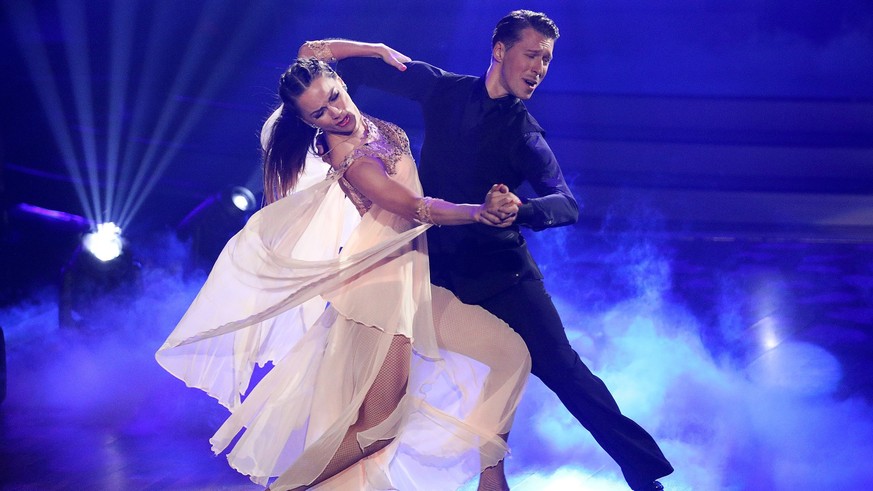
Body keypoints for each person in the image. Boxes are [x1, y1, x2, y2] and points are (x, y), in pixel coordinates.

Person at [299, 9, 674, 491]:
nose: (540, 68)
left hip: (504, 279)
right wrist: (375, 50)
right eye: (532, 54)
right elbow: (313, 54)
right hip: (432, 274)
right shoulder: (442, 89)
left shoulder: (523, 130)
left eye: (547, 60)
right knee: (385, 393)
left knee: (564, 372)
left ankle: (642, 473)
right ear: (500, 50)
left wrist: (521, 210)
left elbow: (567, 203)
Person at [156, 58, 532, 490]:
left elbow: (314, 49)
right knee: (379, 427)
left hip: (412, 283)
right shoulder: (350, 157)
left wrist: (371, 47)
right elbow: (414, 207)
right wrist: (477, 212)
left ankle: (491, 479)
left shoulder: (356, 115)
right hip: (380, 293)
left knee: (509, 354)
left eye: (334, 96)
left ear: (339, 82)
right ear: (306, 120)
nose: (335, 112)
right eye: (320, 113)